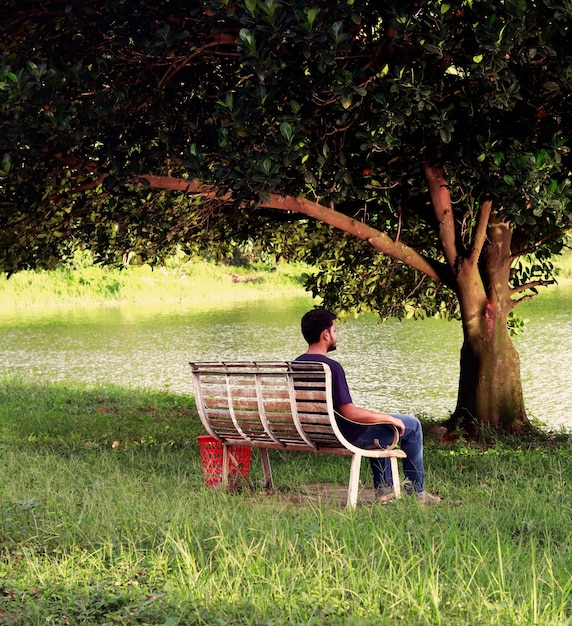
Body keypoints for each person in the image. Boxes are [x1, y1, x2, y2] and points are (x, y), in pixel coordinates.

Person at [295, 308, 441, 505]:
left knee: (377, 427)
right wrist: (388, 418)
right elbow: (349, 412)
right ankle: (417, 493)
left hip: (315, 432)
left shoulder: (296, 365)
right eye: (335, 330)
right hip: (342, 434)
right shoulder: (330, 368)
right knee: (412, 425)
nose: (336, 336)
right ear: (326, 334)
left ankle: (385, 492)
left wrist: (379, 418)